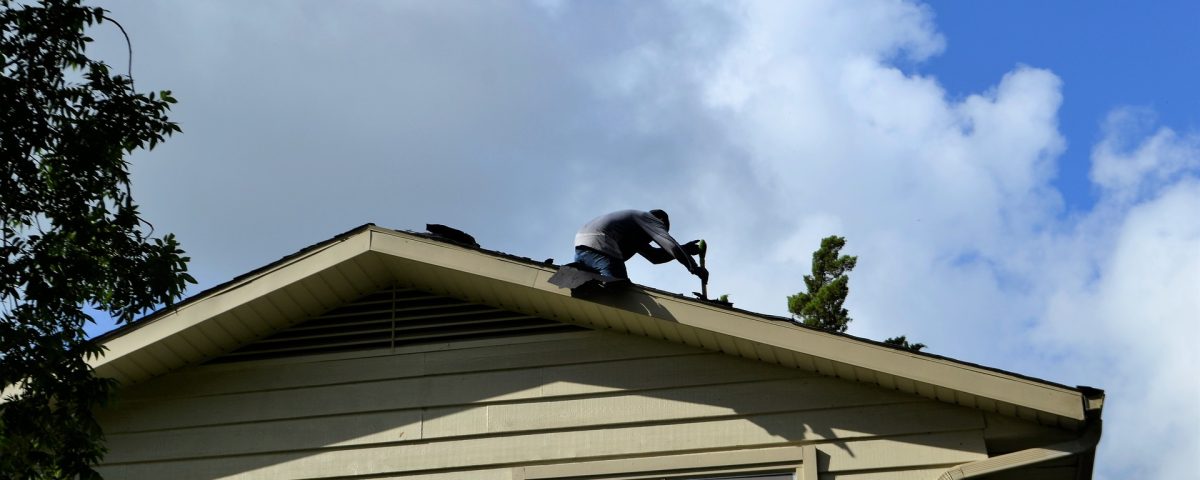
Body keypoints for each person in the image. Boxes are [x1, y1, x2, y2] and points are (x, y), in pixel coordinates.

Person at [573, 209, 707, 283]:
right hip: (602, 245)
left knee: (584, 283)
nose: (651, 239)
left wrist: (686, 249)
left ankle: (575, 272)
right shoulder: (651, 219)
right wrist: (694, 267)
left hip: (582, 247)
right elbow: (671, 246)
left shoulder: (632, 229)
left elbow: (655, 257)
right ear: (661, 221)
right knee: (619, 286)